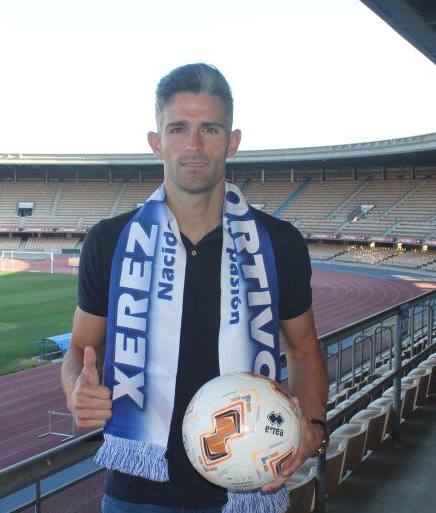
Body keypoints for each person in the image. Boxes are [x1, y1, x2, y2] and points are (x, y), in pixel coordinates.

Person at [61, 63, 328, 513]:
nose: (194, 145)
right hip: (137, 492)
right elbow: (79, 351)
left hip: (251, 485)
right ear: (156, 142)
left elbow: (303, 351)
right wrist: (75, 391)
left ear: (233, 140)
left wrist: (314, 428)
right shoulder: (110, 242)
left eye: (210, 129)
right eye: (179, 128)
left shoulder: (278, 243)